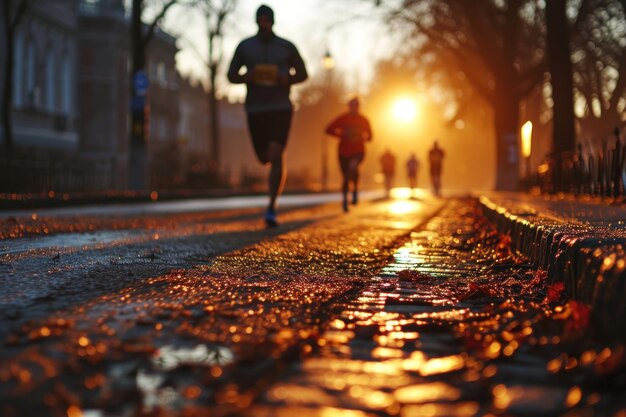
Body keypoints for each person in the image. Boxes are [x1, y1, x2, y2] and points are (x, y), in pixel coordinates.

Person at [227, 4, 308, 227]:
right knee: (264, 157)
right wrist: (247, 76)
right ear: (256, 22)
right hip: (255, 109)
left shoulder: (286, 47)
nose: (264, 24)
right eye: (261, 20)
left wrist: (287, 79)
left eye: (267, 20)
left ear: (273, 22)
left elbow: (303, 73)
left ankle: (271, 207)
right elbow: (231, 75)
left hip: (280, 107)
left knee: (276, 153)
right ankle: (271, 200)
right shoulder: (245, 47)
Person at [325, 97, 372, 212]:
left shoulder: (363, 120)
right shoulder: (343, 119)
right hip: (343, 152)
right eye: (352, 105)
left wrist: (361, 137)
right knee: (345, 176)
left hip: (358, 151)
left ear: (359, 107)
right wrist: (341, 135)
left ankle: (355, 189)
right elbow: (328, 129)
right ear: (349, 106)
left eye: (356, 106)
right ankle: (345, 200)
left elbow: (370, 136)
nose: (354, 108)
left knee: (353, 165)